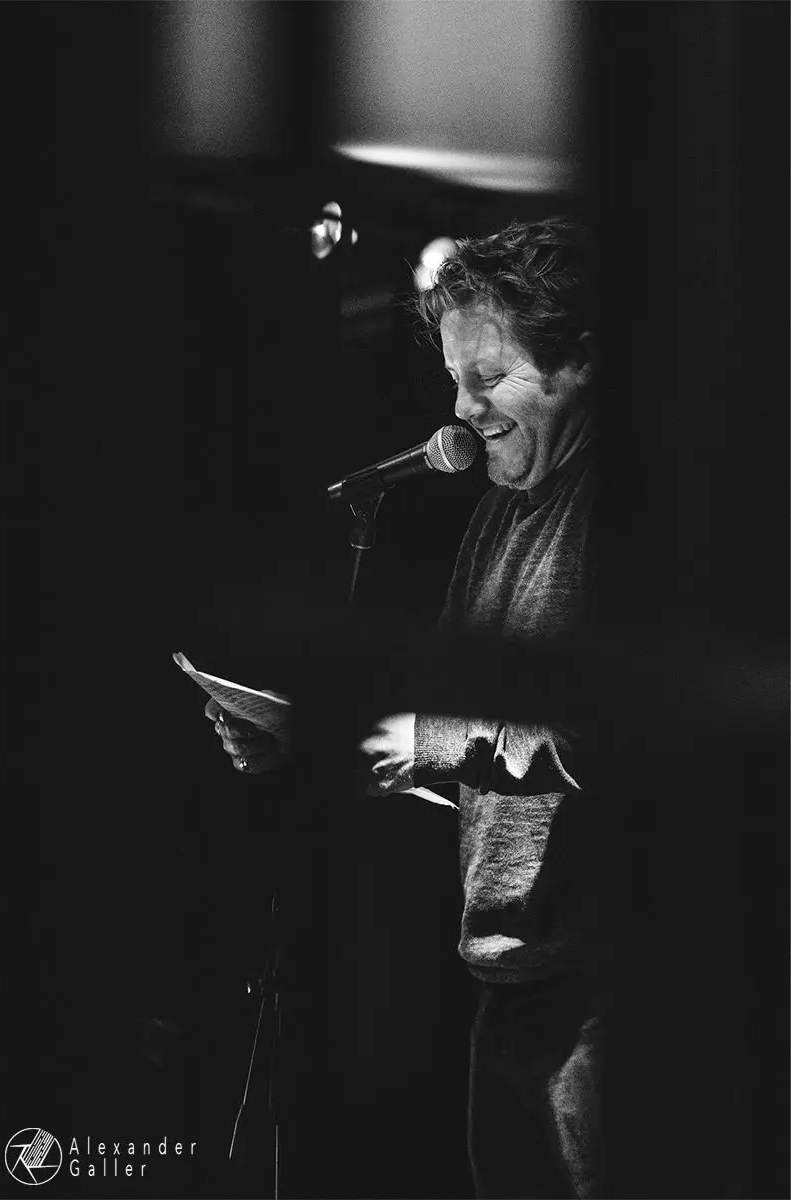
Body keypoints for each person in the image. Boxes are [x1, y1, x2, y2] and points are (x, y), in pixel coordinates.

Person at [207, 217, 607, 1199]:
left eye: (489, 377)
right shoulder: (498, 515)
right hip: (509, 984)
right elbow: (472, 749)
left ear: (581, 365)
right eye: (454, 379)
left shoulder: (630, 516)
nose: (461, 411)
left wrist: (420, 741)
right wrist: (323, 745)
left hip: (617, 992)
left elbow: (607, 733)